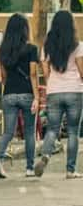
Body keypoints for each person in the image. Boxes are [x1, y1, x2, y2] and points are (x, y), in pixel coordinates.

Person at [34, 10, 83, 179]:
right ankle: (70, 170)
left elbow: (46, 72)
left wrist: (53, 84)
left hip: (54, 91)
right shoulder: (78, 45)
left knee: (52, 129)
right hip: (74, 91)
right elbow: (82, 71)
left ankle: (46, 155)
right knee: (72, 132)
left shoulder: (47, 46)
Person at [0, 14, 39, 179]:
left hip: (9, 95)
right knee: (29, 133)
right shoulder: (32, 49)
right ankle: (29, 169)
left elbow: (3, 77)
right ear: (25, 29)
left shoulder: (2, 51)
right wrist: (37, 97)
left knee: (8, 132)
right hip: (27, 94)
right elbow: (33, 74)